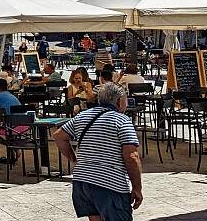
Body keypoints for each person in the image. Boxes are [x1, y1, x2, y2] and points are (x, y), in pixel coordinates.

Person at [53, 83, 143, 221]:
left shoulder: (82, 116)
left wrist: (75, 160)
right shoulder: (121, 120)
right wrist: (137, 188)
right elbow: (132, 156)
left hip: (82, 183)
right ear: (119, 101)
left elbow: (59, 136)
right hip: (110, 184)